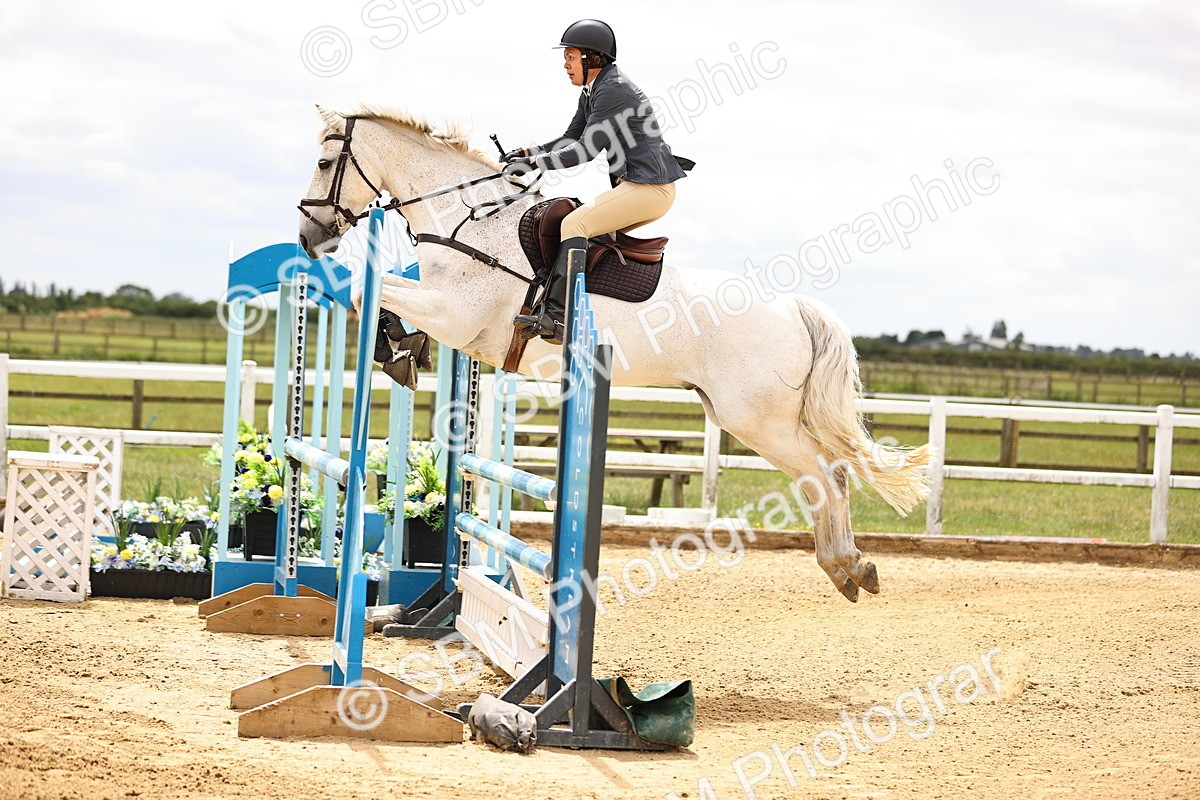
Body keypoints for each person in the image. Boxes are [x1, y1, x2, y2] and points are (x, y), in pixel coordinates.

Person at [502, 19, 687, 344]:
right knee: (582, 227)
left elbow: (585, 151)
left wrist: (534, 163)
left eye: (570, 57)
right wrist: (527, 151)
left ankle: (557, 320)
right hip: (638, 188)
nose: (565, 64)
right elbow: (569, 138)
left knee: (574, 225)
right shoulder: (594, 91)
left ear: (592, 58)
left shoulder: (612, 89)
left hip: (650, 190)